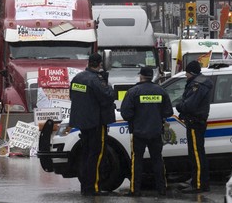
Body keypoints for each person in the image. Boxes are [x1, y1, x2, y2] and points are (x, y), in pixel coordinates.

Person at [120, 66, 173, 197]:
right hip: (156, 132)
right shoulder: (161, 91)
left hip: (138, 133)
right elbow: (168, 111)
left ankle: (135, 190)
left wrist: (136, 117)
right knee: (157, 160)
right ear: (152, 76)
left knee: (136, 161)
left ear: (141, 76)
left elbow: (125, 113)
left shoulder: (133, 92)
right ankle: (161, 189)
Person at [69, 53, 116, 196]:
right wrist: (107, 83)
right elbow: (108, 96)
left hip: (83, 122)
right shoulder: (96, 80)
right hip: (96, 122)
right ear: (99, 64)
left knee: (86, 154)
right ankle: (93, 187)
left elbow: (72, 96)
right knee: (97, 155)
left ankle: (85, 186)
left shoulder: (77, 78)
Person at [176, 60, 213, 194]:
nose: (185, 76)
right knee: (197, 153)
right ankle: (198, 181)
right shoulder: (200, 83)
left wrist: (179, 106)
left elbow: (189, 105)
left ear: (190, 72)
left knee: (196, 154)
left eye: (186, 73)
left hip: (194, 122)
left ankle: (198, 184)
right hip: (195, 121)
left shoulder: (197, 85)